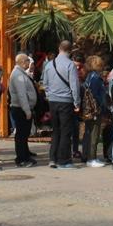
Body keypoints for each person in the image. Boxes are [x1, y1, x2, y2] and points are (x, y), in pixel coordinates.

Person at [43, 39, 81, 170]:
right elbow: (74, 85)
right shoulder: (70, 65)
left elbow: (45, 83)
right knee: (65, 131)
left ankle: (52, 158)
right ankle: (63, 160)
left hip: (53, 101)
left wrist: (49, 96)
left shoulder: (49, 64)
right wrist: (77, 102)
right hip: (66, 101)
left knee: (56, 130)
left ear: (59, 48)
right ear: (70, 51)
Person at [7, 53, 37, 167]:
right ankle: (21, 158)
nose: (29, 64)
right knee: (21, 135)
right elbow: (22, 95)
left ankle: (26, 155)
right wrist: (27, 110)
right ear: (23, 62)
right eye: (27, 61)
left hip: (22, 108)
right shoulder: (18, 75)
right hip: (20, 109)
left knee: (24, 134)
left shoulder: (20, 73)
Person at [80, 55, 107, 168]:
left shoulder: (89, 76)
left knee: (88, 133)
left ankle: (86, 155)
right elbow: (96, 95)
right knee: (94, 134)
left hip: (89, 109)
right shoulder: (96, 78)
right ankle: (92, 158)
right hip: (95, 110)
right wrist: (102, 105)